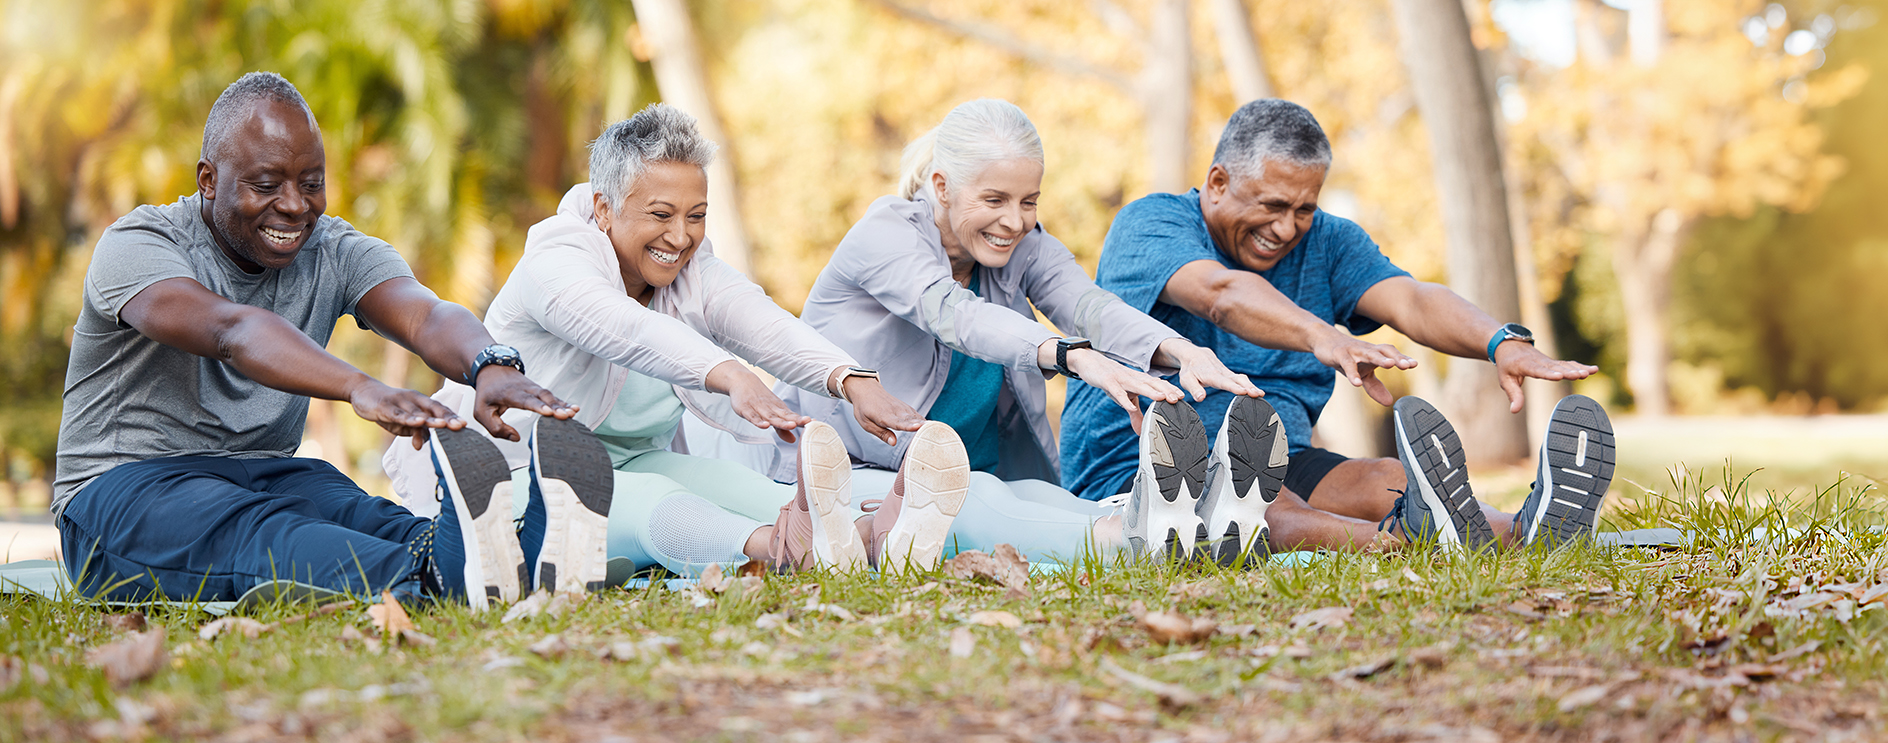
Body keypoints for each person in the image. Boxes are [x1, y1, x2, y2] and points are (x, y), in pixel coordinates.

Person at [52, 72, 578, 608]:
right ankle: (432, 576)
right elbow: (232, 330)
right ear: (208, 179)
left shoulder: (333, 249)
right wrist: (358, 387)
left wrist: (489, 363)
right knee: (263, 529)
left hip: (263, 473)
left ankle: (508, 558)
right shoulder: (138, 244)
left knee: (355, 510)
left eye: (311, 183)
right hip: (119, 492)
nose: (295, 206)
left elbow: (425, 315)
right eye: (266, 185)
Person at [384, 104, 958, 578]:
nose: (680, 236)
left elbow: (758, 318)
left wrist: (850, 379)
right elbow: (626, 330)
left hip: (634, 458)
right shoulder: (554, 263)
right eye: (661, 214)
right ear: (605, 207)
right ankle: (789, 551)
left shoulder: (691, 269)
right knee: (648, 503)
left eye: (697, 215)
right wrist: (729, 374)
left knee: (738, 485)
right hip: (508, 475)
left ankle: (869, 539)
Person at [1061, 98, 1617, 555]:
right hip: (1146, 461)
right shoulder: (1151, 223)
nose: (1286, 228)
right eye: (1272, 205)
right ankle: (1405, 544)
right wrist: (1322, 335)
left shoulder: (1328, 240)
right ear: (1217, 182)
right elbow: (1221, 295)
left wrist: (1498, 342)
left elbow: (1412, 300)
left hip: (1275, 453)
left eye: (1304, 208)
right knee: (1270, 513)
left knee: (1387, 480)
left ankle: (1530, 530)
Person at [774, 98, 1263, 565]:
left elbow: (1087, 305)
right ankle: (1132, 538)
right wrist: (1072, 357)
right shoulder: (885, 235)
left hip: (973, 472)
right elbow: (956, 316)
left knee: (1043, 501)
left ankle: (1194, 523)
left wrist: (1178, 349)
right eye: (994, 199)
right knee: (973, 503)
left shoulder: (1022, 245)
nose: (1014, 221)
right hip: (852, 476)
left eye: (1029, 201)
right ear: (942, 186)